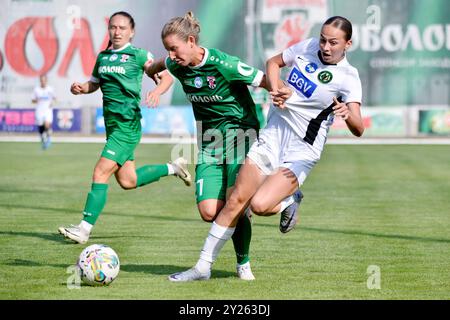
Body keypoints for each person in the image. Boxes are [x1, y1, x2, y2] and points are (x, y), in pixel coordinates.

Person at [168, 16, 365, 281]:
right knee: (237, 199)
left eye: (333, 42)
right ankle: (202, 267)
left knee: (259, 205)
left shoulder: (348, 77)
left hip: (302, 149)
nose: (325, 46)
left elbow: (359, 127)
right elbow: (274, 62)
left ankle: (290, 199)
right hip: (272, 135)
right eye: (323, 39)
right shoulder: (307, 47)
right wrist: (276, 89)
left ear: (347, 44)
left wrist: (345, 112)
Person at [146, 12, 279, 280]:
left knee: (235, 200)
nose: (171, 55)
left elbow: (263, 79)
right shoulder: (176, 64)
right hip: (208, 141)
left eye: (174, 48)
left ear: (191, 41)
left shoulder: (224, 64)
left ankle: (243, 264)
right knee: (209, 211)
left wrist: (281, 93)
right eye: (168, 50)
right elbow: (158, 66)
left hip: (240, 136)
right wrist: (153, 78)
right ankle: (267, 199)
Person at [58, 11, 192, 245]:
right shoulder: (103, 57)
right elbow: (95, 84)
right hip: (113, 127)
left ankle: (84, 229)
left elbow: (167, 78)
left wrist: (156, 91)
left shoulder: (139, 56)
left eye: (122, 28)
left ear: (132, 32)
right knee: (128, 181)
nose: (116, 32)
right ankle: (173, 168)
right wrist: (82, 87)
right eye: (113, 27)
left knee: (100, 172)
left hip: (127, 126)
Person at [32, 74, 55, 150]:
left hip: (47, 110)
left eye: (44, 80)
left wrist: (53, 102)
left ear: (46, 80)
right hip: (39, 110)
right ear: (40, 81)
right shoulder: (36, 90)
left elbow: (55, 98)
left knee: (47, 124)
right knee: (41, 128)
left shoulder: (50, 89)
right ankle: (43, 139)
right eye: (41, 80)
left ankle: (49, 139)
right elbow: (33, 100)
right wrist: (36, 100)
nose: (43, 82)